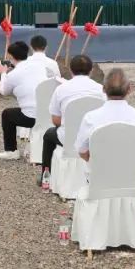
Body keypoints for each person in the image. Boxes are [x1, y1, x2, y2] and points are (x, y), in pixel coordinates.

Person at [40, 56, 103, 187]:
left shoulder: (61, 89)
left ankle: (46, 177)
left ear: (70, 70)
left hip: (68, 138)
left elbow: (55, 120)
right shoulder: (101, 90)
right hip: (94, 139)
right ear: (91, 70)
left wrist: (70, 123)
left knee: (48, 135)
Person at [75, 68, 135, 161]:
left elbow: (82, 152)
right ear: (129, 89)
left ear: (103, 89)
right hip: (133, 169)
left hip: (100, 169)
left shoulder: (90, 118)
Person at [0, 41, 47, 160]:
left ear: (10, 56)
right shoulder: (39, 66)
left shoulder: (13, 75)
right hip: (48, 115)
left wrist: (3, 73)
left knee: (7, 114)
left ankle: (11, 151)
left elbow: (4, 91)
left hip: (31, 117)